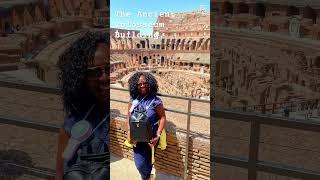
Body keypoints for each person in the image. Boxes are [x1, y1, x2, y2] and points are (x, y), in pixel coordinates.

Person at [55, 31, 109, 180]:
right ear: (82, 78)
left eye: (109, 69)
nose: (104, 77)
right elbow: (61, 172)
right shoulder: (74, 122)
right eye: (94, 72)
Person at [127, 71, 166, 180]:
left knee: (149, 161)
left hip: (151, 137)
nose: (142, 85)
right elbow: (128, 117)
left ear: (150, 84)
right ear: (135, 85)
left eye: (145, 83)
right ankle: (147, 177)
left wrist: (158, 136)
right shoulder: (133, 100)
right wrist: (129, 132)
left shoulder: (156, 101)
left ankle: (147, 177)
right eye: (140, 84)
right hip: (136, 137)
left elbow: (163, 117)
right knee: (139, 163)